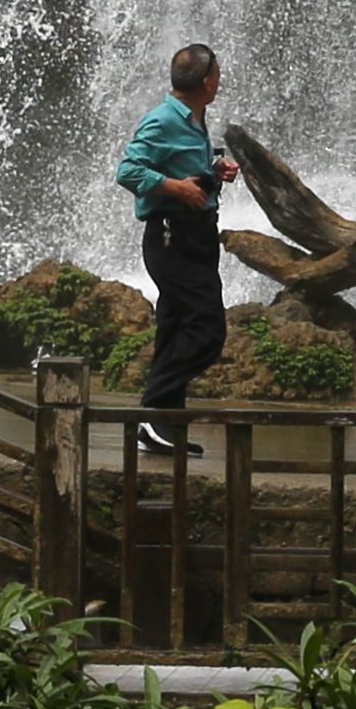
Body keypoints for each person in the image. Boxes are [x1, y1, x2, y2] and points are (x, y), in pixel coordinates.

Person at [116, 45, 239, 449]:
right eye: (217, 75)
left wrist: (212, 171)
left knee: (174, 328)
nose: (219, 81)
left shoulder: (193, 120)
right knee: (207, 330)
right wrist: (174, 188)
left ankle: (160, 427)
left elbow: (181, 168)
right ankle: (152, 410)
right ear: (207, 82)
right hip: (173, 236)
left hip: (196, 234)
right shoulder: (163, 119)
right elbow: (129, 170)